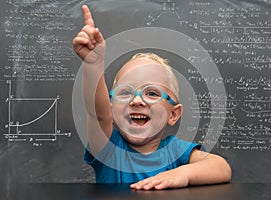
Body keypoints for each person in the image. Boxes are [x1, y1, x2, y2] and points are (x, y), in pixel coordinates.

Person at [73, 5, 231, 190]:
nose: (137, 101)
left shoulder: (175, 151)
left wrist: (182, 174)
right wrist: (93, 65)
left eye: (152, 93)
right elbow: (98, 115)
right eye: (125, 92)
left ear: (173, 114)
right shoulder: (108, 148)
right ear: (110, 107)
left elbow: (222, 168)